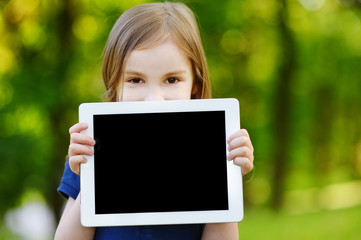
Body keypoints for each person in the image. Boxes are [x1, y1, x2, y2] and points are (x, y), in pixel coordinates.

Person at [55, 2, 254, 240]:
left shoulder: (211, 151)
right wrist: (90, 181)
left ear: (195, 84)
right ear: (114, 83)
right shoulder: (91, 148)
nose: (154, 99)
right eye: (136, 80)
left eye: (171, 80)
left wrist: (227, 180)